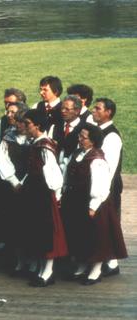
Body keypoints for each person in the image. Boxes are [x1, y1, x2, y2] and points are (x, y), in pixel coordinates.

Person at [62, 123, 127, 285]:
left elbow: (101, 186)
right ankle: (82, 265)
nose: (80, 139)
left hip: (94, 205)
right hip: (76, 202)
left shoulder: (97, 159)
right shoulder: (78, 154)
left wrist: (93, 206)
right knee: (80, 236)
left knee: (96, 238)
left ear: (93, 141)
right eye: (80, 136)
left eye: (83, 137)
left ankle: (96, 270)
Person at [21, 109, 68, 287]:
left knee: (47, 233)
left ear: (37, 125)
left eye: (28, 124)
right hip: (34, 192)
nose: (25, 127)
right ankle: (42, 268)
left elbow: (52, 172)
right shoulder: (35, 144)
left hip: (43, 194)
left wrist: (55, 194)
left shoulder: (44, 146)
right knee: (38, 232)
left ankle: (48, 271)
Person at [91, 98, 124, 276]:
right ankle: (109, 262)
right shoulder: (98, 131)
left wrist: (102, 192)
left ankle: (110, 262)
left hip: (107, 185)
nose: (93, 111)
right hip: (100, 184)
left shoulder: (111, 136)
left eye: (97, 108)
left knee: (107, 222)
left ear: (108, 112)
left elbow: (109, 167)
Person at [0, 106, 31, 275]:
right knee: (13, 223)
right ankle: (16, 260)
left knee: (27, 225)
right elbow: (2, 160)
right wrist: (14, 181)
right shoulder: (8, 138)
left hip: (30, 186)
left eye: (21, 122)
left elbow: (36, 163)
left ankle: (29, 260)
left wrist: (24, 182)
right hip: (11, 187)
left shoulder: (34, 140)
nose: (17, 125)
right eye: (16, 121)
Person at [48, 95, 84, 171]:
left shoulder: (84, 130)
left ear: (77, 111)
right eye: (62, 108)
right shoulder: (55, 127)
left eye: (67, 109)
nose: (63, 111)